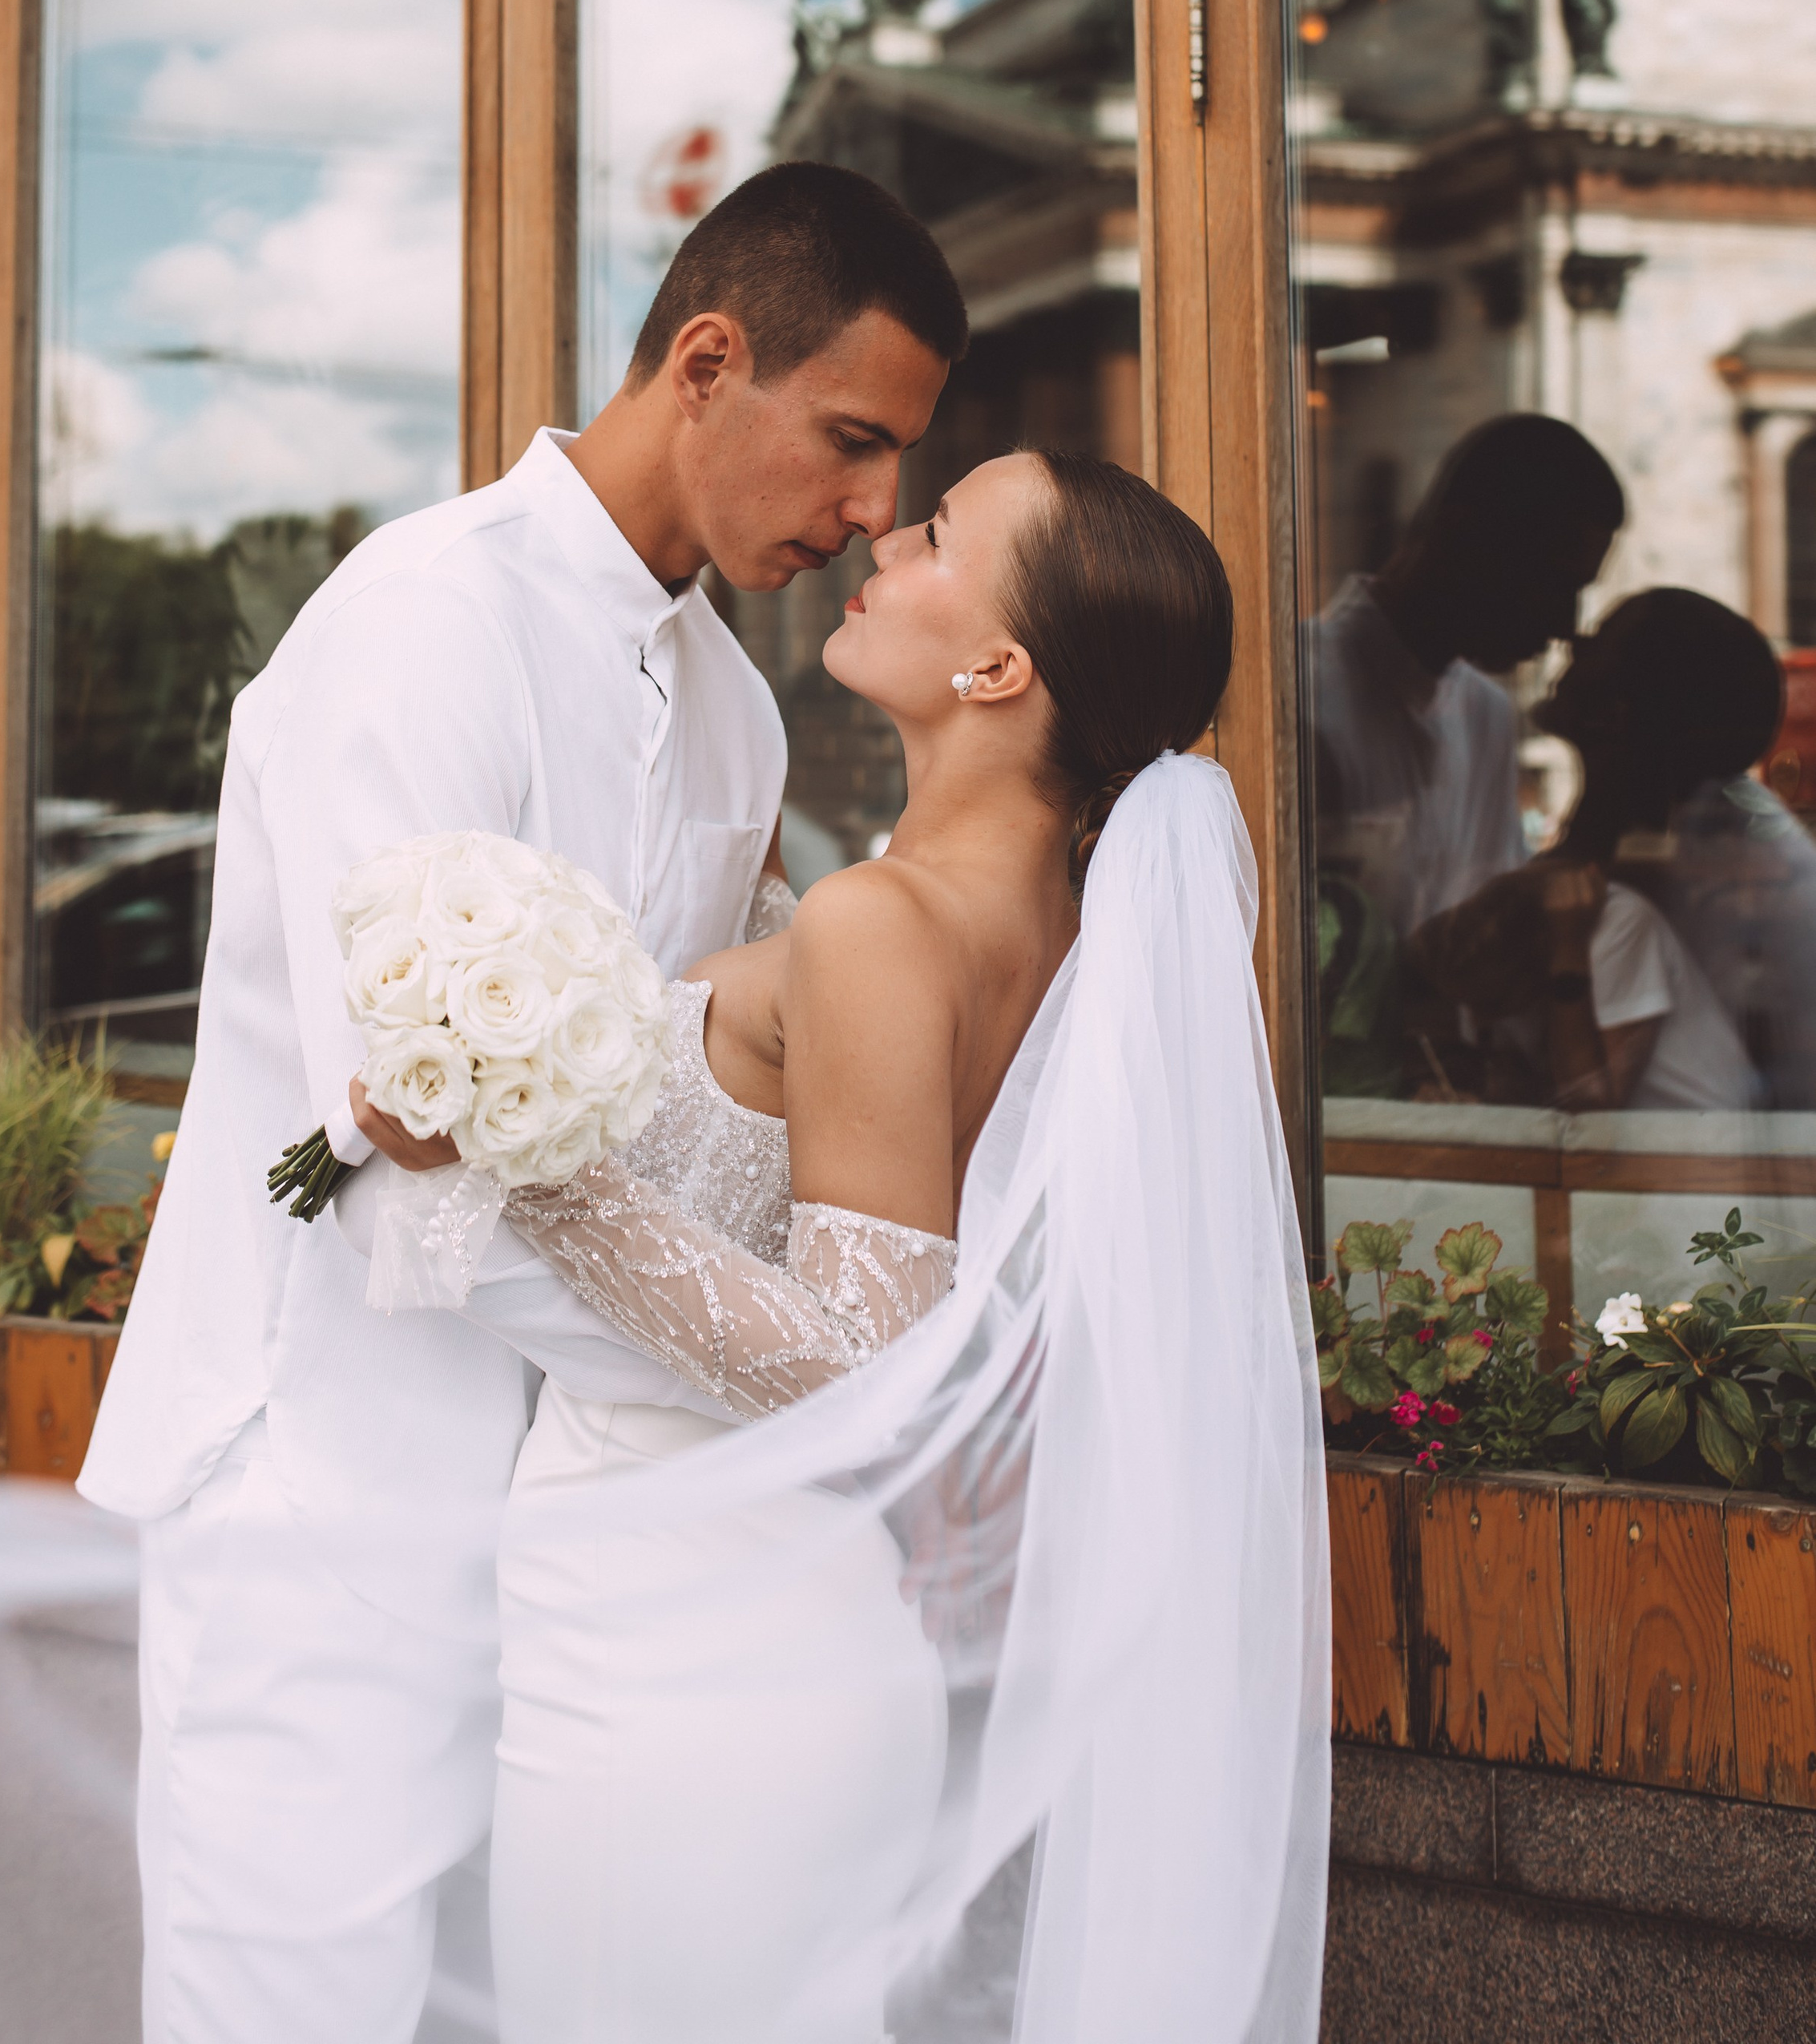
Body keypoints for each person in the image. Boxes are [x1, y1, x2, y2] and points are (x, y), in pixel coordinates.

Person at [75, 160, 969, 2044]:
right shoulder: (422, 620)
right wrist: (786, 1379)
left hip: (581, 1538)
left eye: (897, 463)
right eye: (850, 440)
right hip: (326, 1477)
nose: (872, 511)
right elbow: (403, 1148)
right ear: (705, 361)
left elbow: (694, 1129)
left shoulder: (733, 710)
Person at [406, 450, 1328, 2041]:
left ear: (997, 668)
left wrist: (524, 1147)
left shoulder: (886, 924)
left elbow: (866, 1365)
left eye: (937, 533)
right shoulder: (1044, 930)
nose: (883, 541)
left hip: (695, 1643)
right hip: (774, 1627)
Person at [1308, 413, 1624, 1091]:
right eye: (1554, 583)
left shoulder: (1487, 715)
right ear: (1462, 538)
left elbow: (1488, 953)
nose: (1564, 624)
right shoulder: (1302, 695)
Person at [1405, 588, 1780, 1112]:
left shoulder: (1615, 903)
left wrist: (1565, 947)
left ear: (1613, 714)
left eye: (1597, 642)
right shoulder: (1603, 872)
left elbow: (1587, 1102)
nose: (1570, 641)